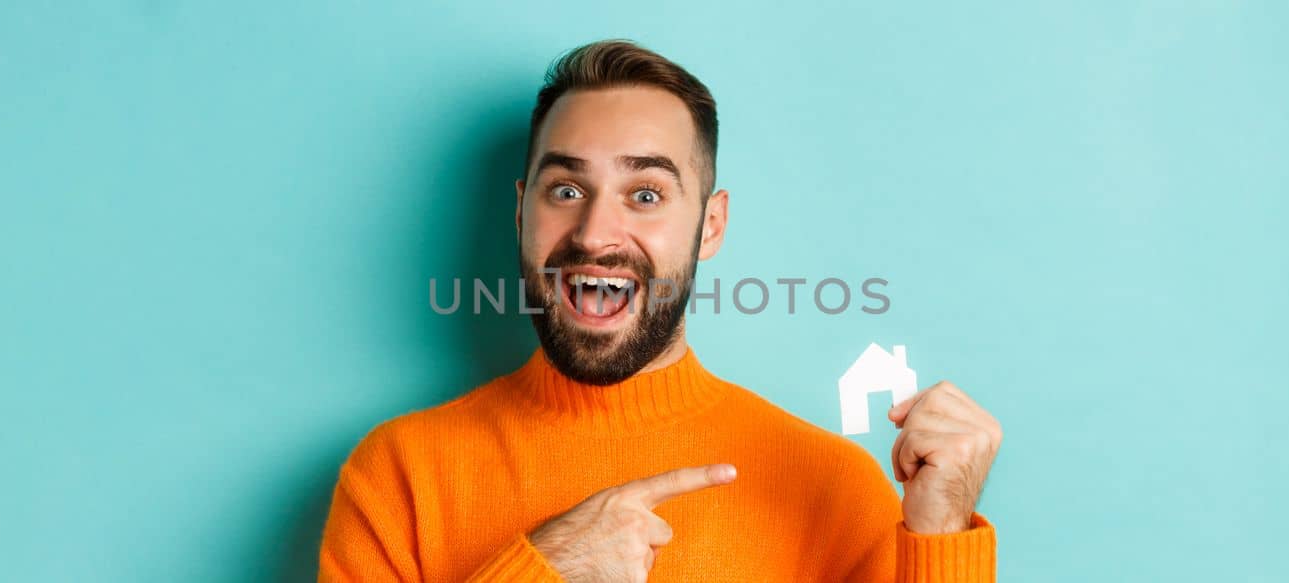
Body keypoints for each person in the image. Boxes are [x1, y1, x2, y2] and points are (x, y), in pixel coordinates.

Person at [318, 39, 1002, 582]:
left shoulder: (833, 489)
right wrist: (539, 571)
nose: (593, 234)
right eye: (565, 189)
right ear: (521, 208)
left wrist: (940, 540)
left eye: (645, 194)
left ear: (709, 225)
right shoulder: (397, 478)